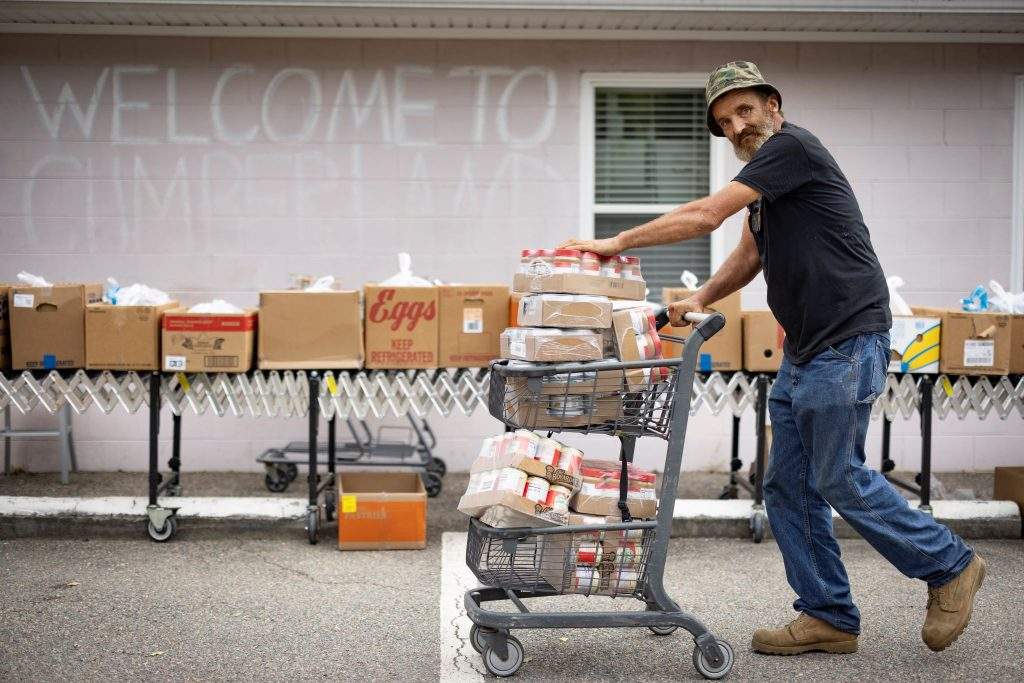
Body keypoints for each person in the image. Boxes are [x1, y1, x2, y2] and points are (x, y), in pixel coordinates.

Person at [560, 60, 985, 656]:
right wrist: (701, 298)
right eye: (725, 121)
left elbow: (708, 214)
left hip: (846, 339)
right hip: (805, 350)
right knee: (786, 486)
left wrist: (619, 241)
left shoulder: (793, 149)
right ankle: (828, 616)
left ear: (773, 105)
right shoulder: (769, 188)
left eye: (744, 110)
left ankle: (950, 566)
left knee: (839, 475)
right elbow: (750, 256)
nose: (736, 126)